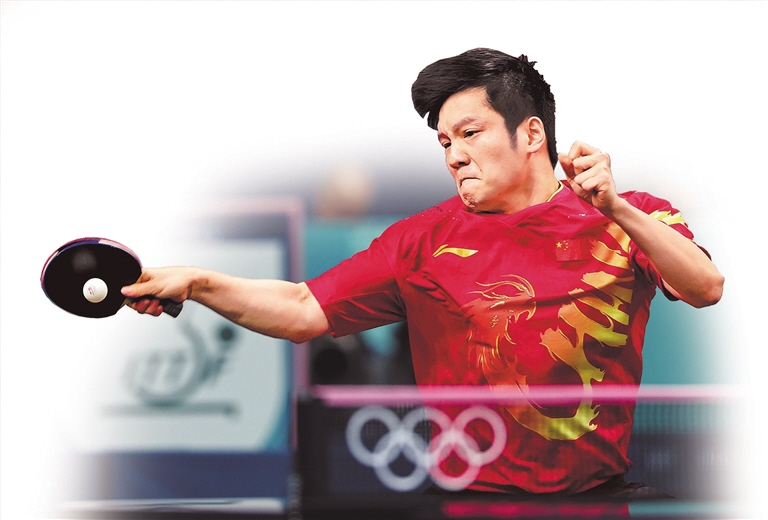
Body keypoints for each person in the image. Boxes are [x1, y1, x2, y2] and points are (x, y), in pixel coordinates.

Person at [122, 48, 724, 496]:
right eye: (444, 143)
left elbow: (704, 287)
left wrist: (615, 208)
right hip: (470, 498)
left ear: (531, 133)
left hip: (596, 499)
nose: (454, 156)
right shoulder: (421, 241)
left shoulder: (633, 215)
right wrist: (199, 283)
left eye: (470, 134)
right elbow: (303, 309)